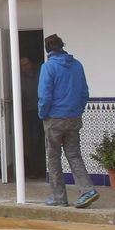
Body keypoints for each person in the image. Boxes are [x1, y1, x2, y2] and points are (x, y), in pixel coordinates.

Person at [37, 34, 98, 208]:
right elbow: (84, 92)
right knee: (74, 155)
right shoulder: (77, 65)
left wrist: (43, 114)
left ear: (47, 49)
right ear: (62, 46)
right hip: (73, 118)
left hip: (54, 119)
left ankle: (59, 197)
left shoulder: (48, 67)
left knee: (54, 158)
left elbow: (44, 95)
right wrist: (77, 110)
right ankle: (88, 190)